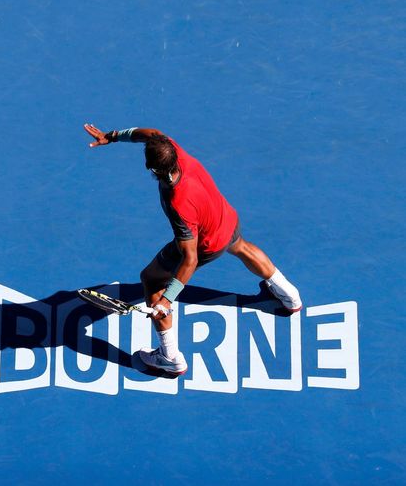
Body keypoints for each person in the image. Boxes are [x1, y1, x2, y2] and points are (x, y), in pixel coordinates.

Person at [84, 124, 302, 377]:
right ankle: (290, 296)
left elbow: (190, 258)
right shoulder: (172, 148)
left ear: (153, 168)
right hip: (224, 217)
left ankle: (169, 357)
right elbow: (149, 133)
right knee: (241, 246)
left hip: (205, 243)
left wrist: (166, 300)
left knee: (152, 279)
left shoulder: (178, 203)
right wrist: (112, 137)